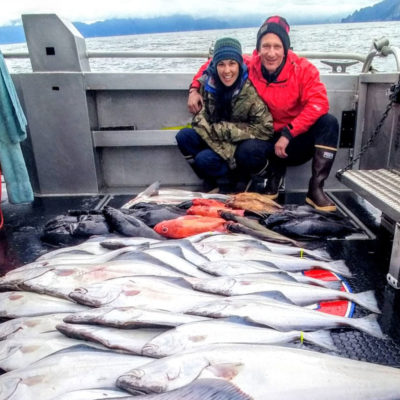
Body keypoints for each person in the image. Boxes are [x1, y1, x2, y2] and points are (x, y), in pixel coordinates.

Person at [188, 16, 339, 212]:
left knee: (329, 122)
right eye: (265, 46)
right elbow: (211, 64)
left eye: (277, 46)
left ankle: (316, 188)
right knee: (245, 152)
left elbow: (319, 103)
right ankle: (272, 175)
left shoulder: (303, 69)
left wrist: (289, 133)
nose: (271, 53)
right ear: (258, 49)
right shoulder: (251, 64)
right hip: (266, 138)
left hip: (294, 140)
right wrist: (193, 89)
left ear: (286, 49)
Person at [176, 37, 274, 193]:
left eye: (232, 63)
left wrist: (225, 130)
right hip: (215, 139)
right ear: (215, 66)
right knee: (184, 136)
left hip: (238, 147)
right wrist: (193, 90)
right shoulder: (208, 86)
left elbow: (266, 129)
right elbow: (200, 118)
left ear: (239, 65)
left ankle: (234, 181)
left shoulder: (250, 91)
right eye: (221, 64)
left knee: (205, 158)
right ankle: (213, 179)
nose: (227, 71)